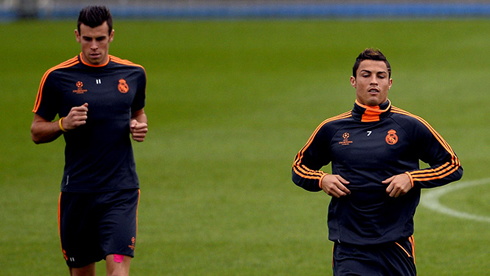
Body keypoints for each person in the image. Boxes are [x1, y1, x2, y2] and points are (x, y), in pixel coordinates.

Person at [292, 48, 462, 275]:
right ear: (353, 81)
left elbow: (452, 165)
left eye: (380, 76)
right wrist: (322, 179)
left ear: (389, 83)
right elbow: (299, 168)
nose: (374, 82)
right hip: (350, 247)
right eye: (366, 75)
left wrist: (412, 177)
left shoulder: (409, 125)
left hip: (396, 244)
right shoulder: (332, 129)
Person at [31, 5, 148, 276]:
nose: (94, 46)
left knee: (118, 270)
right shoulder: (57, 77)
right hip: (78, 192)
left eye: (100, 39)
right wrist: (63, 124)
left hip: (120, 191)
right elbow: (36, 131)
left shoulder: (133, 74)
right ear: (77, 36)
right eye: (87, 39)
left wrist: (139, 127)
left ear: (111, 36)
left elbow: (139, 114)